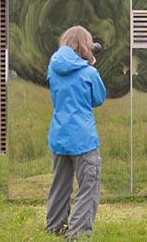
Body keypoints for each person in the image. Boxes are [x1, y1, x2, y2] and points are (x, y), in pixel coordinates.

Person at [45, 25, 107, 239]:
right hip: (83, 139)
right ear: (86, 46)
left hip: (59, 134)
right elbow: (98, 99)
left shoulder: (52, 68)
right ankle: (77, 234)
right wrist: (90, 65)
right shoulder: (89, 72)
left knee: (59, 186)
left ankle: (54, 228)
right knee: (88, 187)